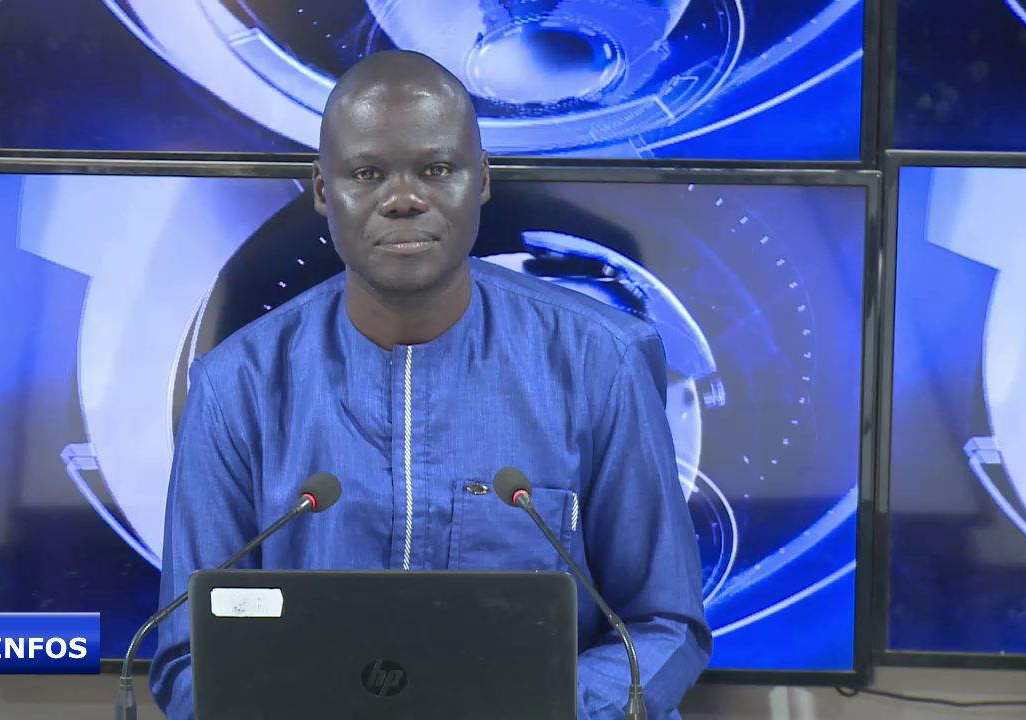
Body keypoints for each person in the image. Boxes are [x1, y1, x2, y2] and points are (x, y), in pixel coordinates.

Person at [149, 50, 712, 720]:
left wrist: (548, 709)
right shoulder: (235, 386)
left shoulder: (601, 361)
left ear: (481, 180)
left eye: (437, 170)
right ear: (324, 191)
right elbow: (190, 657)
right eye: (367, 173)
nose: (404, 199)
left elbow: (663, 626)